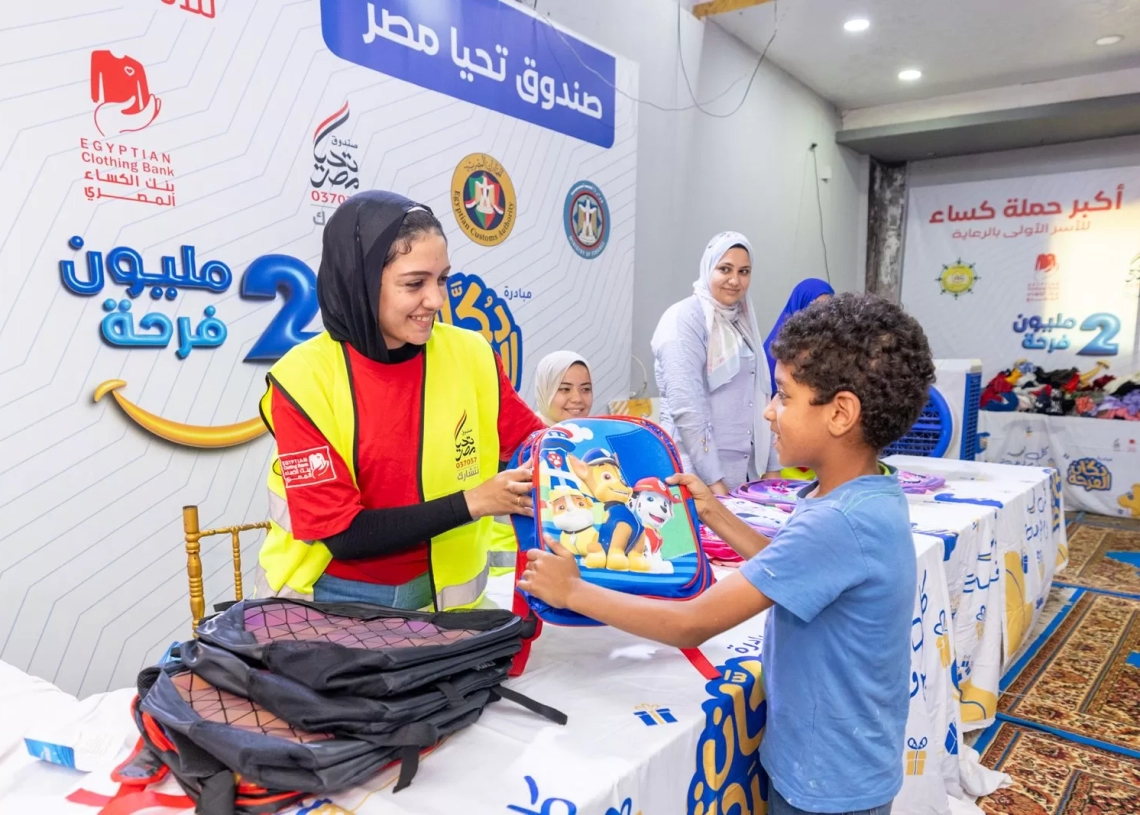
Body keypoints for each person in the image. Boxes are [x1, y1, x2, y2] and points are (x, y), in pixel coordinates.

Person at [520, 293, 935, 815]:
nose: (768, 410)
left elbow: (691, 624)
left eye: (782, 396)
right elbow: (790, 571)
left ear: (841, 413)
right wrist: (715, 513)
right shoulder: (862, 495)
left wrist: (573, 590)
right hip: (842, 759)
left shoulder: (837, 523)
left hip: (827, 782)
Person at [255, 191, 544, 611]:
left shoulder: (472, 354)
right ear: (361, 282)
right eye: (415, 283)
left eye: (442, 279)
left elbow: (535, 447)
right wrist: (476, 501)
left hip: (446, 596)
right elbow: (345, 535)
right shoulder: (302, 379)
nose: (436, 300)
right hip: (329, 602)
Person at [651, 231, 777, 496]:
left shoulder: (742, 322)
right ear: (708, 267)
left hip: (743, 478)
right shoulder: (684, 319)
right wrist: (715, 486)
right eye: (725, 269)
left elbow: (761, 396)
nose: (735, 280)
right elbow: (687, 407)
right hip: (695, 479)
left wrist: (771, 467)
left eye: (744, 271)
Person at [763, 278, 834, 387]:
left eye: (828, 309)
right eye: (816, 309)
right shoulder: (778, 349)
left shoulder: (831, 344)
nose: (822, 315)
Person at [533, 350, 594, 424]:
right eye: (565, 389)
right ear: (544, 391)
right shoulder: (527, 434)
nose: (577, 399)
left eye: (585, 389)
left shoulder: (595, 432)